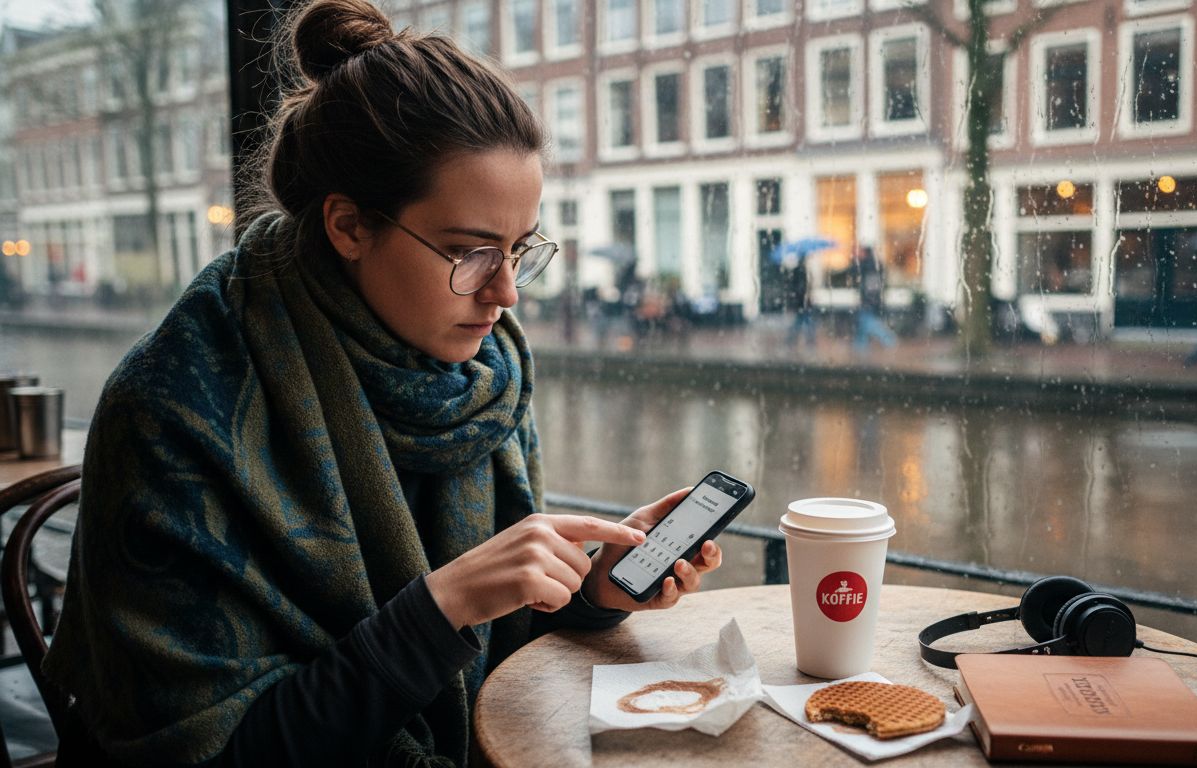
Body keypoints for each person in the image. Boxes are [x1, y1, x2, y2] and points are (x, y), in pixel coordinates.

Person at [44, 2, 723, 765]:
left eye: (521, 249)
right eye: (470, 253)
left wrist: (594, 592)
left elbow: (489, 653)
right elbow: (209, 753)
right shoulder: (173, 409)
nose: (507, 295)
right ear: (349, 226)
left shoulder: (479, 378)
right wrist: (442, 606)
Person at [851, 246, 897, 352]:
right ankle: (860, 347)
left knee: (868, 323)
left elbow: (871, 285)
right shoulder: (873, 265)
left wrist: (869, 300)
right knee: (863, 325)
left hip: (869, 302)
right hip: (871, 301)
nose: (859, 254)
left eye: (861, 252)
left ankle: (889, 340)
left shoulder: (868, 266)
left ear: (866, 253)